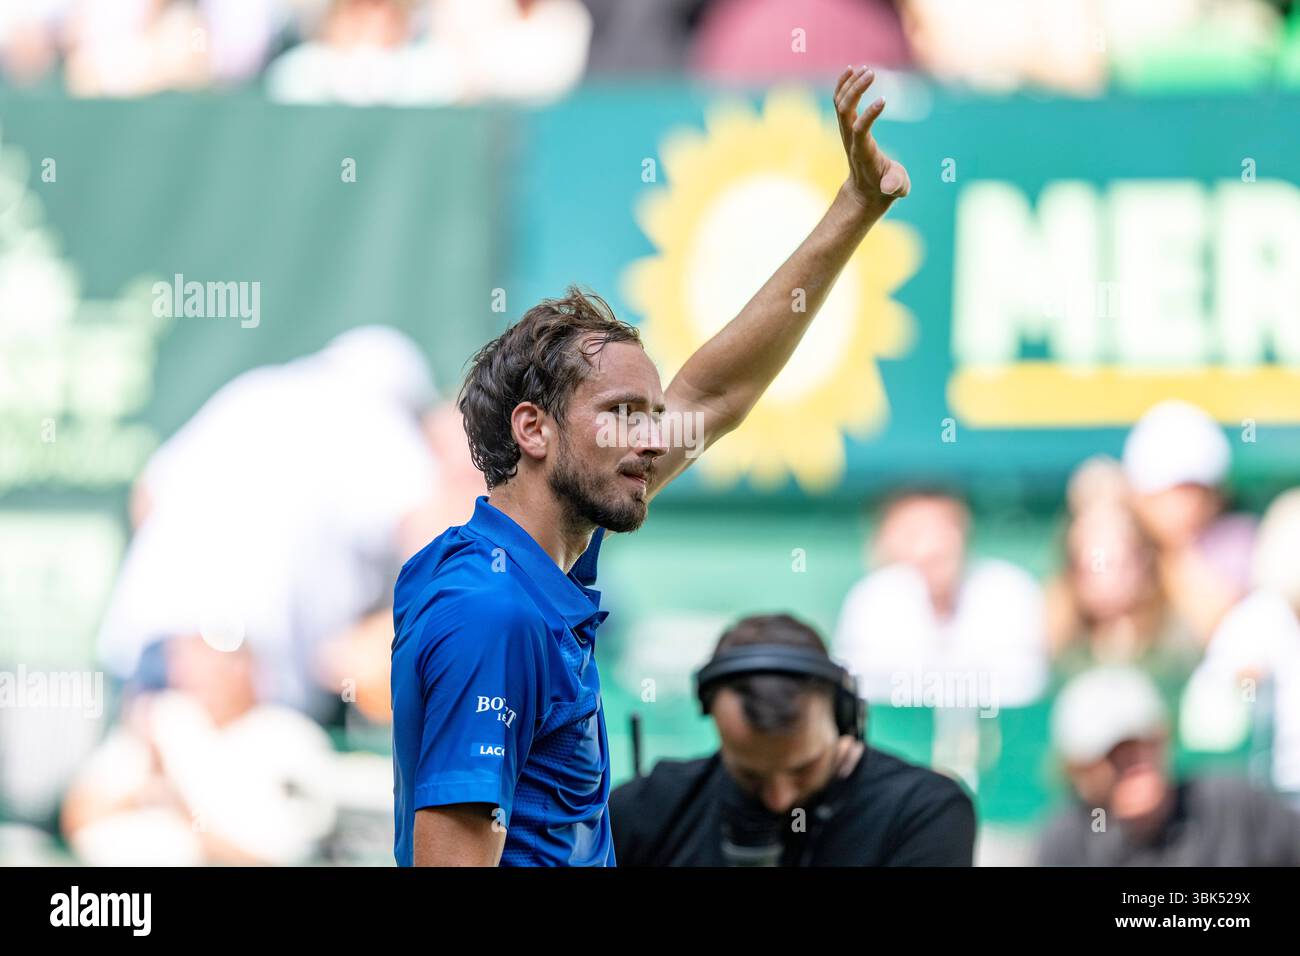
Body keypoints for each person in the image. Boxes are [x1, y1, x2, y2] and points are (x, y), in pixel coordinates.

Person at [390, 66, 912, 867]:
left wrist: (855, 207)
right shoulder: (493, 612)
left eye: (650, 413)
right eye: (620, 415)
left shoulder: (528, 563)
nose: (650, 436)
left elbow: (718, 390)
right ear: (532, 429)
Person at [97, 326, 468, 722]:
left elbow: (146, 496)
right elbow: (431, 532)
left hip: (148, 645)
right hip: (227, 662)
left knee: (145, 771)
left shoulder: (254, 391)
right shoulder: (379, 418)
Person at [609, 614, 975, 866]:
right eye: (750, 774)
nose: (779, 798)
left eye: (804, 769)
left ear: (844, 717)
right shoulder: (647, 808)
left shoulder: (923, 813)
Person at [62, 635, 337, 866]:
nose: (194, 671)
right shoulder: (162, 719)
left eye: (213, 660)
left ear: (247, 668)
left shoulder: (290, 738)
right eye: (184, 659)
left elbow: (277, 859)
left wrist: (181, 809)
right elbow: (77, 816)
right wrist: (148, 790)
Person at [1037, 665, 1300, 866]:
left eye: (1143, 744)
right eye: (1114, 755)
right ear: (1081, 772)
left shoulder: (1229, 806)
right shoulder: (1069, 842)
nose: (1134, 763)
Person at [833, 488, 1048, 708]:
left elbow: (1022, 685)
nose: (932, 547)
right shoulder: (871, 599)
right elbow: (867, 687)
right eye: (913, 534)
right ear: (880, 544)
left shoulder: (1010, 591)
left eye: (946, 529)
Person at [1121, 399, 1256, 643]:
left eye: (1197, 491)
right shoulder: (1119, 543)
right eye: (1176, 491)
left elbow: (1217, 627)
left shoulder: (1237, 540)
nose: (1189, 505)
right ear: (1139, 496)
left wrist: (1174, 552)